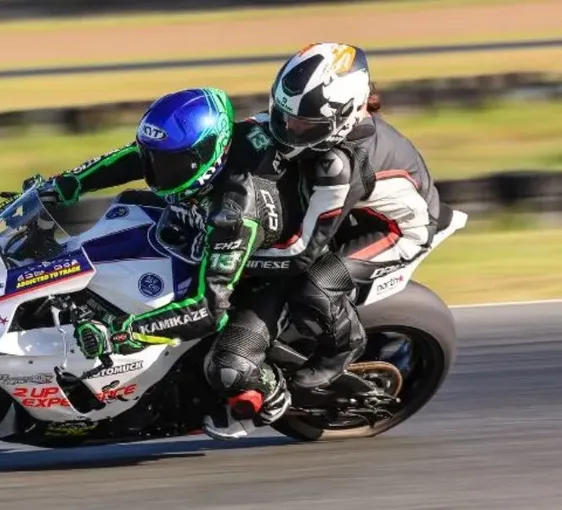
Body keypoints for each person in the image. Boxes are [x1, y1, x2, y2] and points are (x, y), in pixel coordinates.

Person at [201, 41, 445, 440]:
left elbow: (302, 252)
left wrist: (233, 261)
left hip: (396, 230)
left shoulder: (343, 162)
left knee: (316, 283)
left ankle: (339, 352)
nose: (290, 129)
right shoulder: (309, 127)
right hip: (351, 211)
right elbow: (250, 138)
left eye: (304, 126)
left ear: (343, 118)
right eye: (285, 116)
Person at [30, 87, 296, 430]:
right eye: (155, 158)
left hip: (260, 275)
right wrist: (67, 184)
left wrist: (127, 333)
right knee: (129, 207)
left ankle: (270, 386)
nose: (158, 170)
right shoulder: (193, 161)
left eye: (170, 163)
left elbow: (209, 308)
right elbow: (132, 158)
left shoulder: (234, 212)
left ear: (208, 154)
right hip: (197, 233)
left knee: (228, 369)